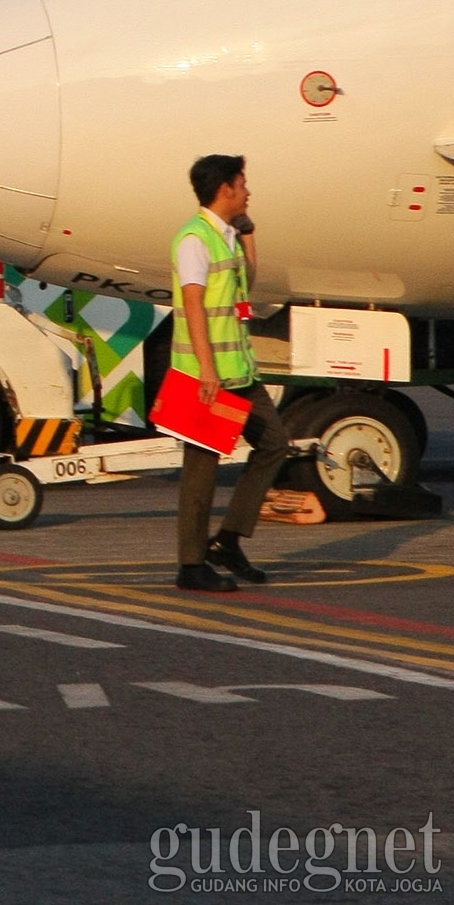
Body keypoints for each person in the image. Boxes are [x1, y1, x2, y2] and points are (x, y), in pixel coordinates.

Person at [170, 154, 289, 593]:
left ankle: (229, 541)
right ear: (225, 190)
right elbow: (194, 305)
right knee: (201, 471)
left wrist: (249, 234)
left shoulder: (226, 236)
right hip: (206, 374)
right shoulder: (194, 239)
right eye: (243, 184)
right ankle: (191, 564)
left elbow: (246, 289)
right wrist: (205, 369)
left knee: (276, 445)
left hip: (238, 370)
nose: (248, 191)